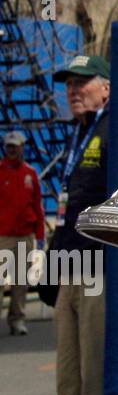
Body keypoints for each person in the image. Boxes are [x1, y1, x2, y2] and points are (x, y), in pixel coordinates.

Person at [49, 53, 111, 395]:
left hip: (96, 270)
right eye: (69, 83)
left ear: (106, 87)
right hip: (69, 268)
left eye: (83, 82)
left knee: (92, 380)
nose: (73, 90)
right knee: (68, 381)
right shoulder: (77, 133)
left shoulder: (114, 131)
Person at [0, 130, 45, 336]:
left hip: (25, 235)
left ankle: (17, 319)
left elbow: (37, 205)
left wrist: (40, 235)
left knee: (20, 281)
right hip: (3, 235)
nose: (11, 150)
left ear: (21, 148)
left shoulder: (30, 173)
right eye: (8, 147)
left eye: (14, 147)